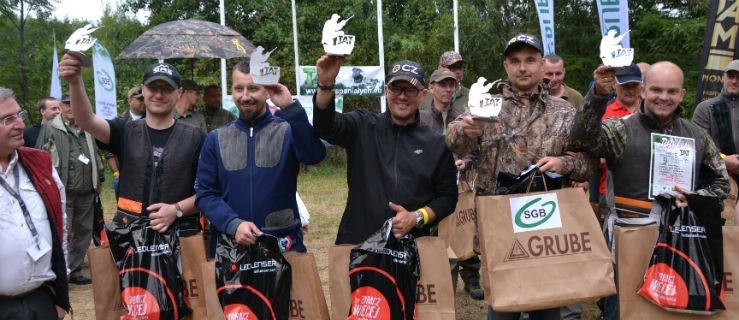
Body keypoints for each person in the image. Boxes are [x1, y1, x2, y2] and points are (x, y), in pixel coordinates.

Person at [447, 33, 595, 320]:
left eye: (530, 60)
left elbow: (587, 163)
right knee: (502, 309)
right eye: (515, 61)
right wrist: (468, 131)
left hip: (547, 226)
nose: (523, 68)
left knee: (548, 308)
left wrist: (564, 163)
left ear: (541, 64)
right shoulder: (485, 105)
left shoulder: (563, 111)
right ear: (505, 66)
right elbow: (453, 139)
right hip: (499, 226)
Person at [570, 61, 730, 320]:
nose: (664, 97)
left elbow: (721, 184)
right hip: (627, 243)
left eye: (671, 91)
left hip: (679, 244)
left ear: (682, 94)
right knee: (621, 313)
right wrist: (597, 96)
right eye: (656, 90)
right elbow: (580, 140)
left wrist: (695, 199)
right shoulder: (620, 129)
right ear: (643, 91)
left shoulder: (697, 135)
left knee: (671, 312)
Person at [58, 55, 205, 241]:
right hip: (131, 238)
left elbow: (209, 192)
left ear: (179, 92)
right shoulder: (124, 130)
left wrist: (176, 210)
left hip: (180, 239)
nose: (159, 95)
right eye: (153, 88)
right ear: (143, 89)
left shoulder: (196, 137)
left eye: (167, 89)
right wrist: (75, 81)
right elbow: (85, 120)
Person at [314, 56, 458, 244]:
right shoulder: (362, 125)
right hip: (358, 243)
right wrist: (325, 84)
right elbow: (325, 126)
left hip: (409, 251)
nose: (402, 96)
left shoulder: (436, 143)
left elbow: (448, 197)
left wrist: (417, 217)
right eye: (396, 88)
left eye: (410, 90)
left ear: (423, 95)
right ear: (386, 90)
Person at [195, 61, 325, 253]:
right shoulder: (216, 139)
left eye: (253, 88)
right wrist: (233, 224)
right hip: (231, 247)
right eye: (239, 88)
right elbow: (205, 194)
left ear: (267, 90)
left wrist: (290, 108)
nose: (245, 96)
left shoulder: (287, 130)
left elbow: (314, 155)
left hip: (283, 244)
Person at [0, 87, 69, 319]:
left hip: (43, 301)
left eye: (19, 115)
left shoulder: (40, 162)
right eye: (8, 119)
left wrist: (61, 296)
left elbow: (61, 227)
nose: (20, 124)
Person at [419, 67, 484, 300]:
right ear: (432, 88)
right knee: (428, 242)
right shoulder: (421, 118)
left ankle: (448, 295)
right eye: (442, 85)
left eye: (451, 85)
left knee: (455, 238)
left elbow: (476, 151)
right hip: (427, 190)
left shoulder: (463, 117)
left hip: (458, 189)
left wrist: (464, 161)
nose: (448, 89)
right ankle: (429, 291)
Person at [35, 93, 104, 285]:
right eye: (67, 104)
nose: (71, 107)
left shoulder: (88, 126)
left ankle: (74, 270)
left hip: (86, 189)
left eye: (74, 103)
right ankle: (60, 271)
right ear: (61, 107)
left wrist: (99, 178)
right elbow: (40, 156)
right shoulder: (50, 128)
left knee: (84, 231)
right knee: (62, 231)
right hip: (62, 190)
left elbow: (96, 154)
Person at [692, 59, 739, 221]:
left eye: (738, 77)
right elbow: (697, 147)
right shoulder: (705, 108)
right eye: (731, 76)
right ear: (724, 77)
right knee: (712, 236)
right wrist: (724, 161)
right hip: (714, 181)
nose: (734, 81)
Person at [106, 86, 147, 197]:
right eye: (140, 99)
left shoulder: (151, 120)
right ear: (129, 101)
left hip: (146, 175)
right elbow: (109, 153)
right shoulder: (119, 121)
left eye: (144, 99)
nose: (143, 102)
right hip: (124, 175)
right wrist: (116, 173)